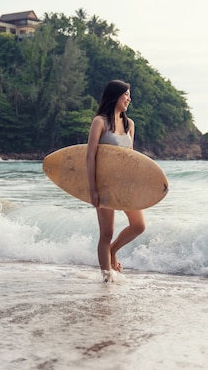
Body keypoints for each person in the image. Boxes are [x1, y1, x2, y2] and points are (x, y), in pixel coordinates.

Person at [86, 80, 146, 282]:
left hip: (125, 185)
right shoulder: (100, 122)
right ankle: (106, 279)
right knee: (107, 232)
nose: (129, 98)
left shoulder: (130, 124)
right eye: (126, 94)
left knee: (139, 225)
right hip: (104, 185)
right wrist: (92, 189)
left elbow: (131, 158)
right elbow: (90, 156)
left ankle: (112, 251)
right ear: (115, 96)